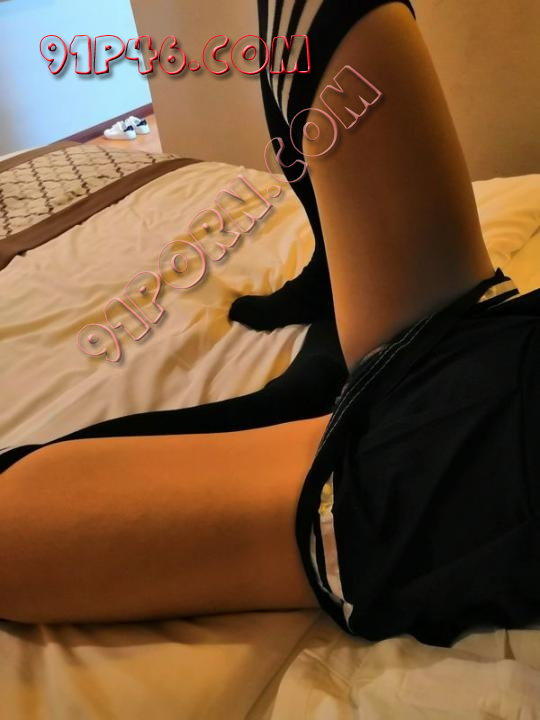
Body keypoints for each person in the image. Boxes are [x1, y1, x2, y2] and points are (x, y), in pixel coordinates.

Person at [1, 1, 539, 648]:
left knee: (12, 502)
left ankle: (342, 412)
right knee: (327, 12)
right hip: (478, 331)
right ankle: (331, 283)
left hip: (470, 449)